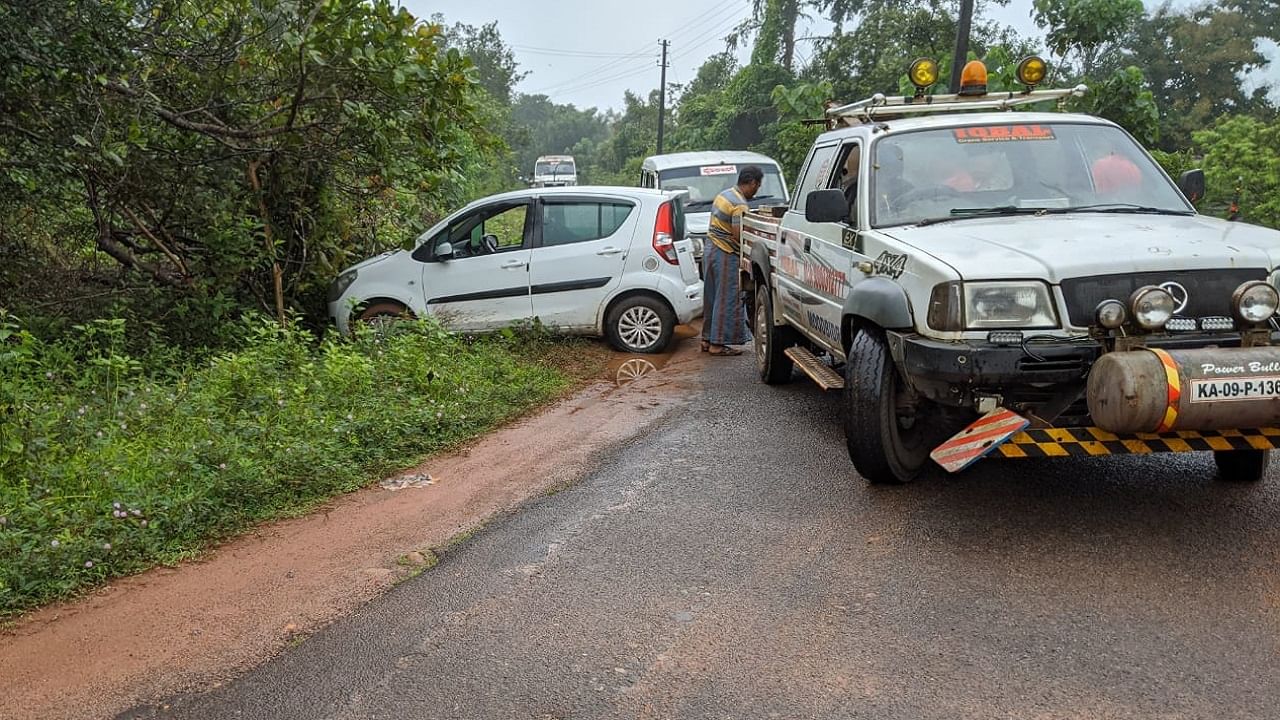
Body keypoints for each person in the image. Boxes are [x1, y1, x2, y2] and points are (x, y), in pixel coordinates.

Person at [701, 166, 762, 356]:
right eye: (757, 186)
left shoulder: (724, 194)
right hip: (725, 253)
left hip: (710, 249)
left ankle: (706, 339)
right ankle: (718, 344)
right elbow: (738, 236)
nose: (757, 190)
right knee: (727, 298)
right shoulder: (740, 205)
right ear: (752, 183)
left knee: (712, 296)